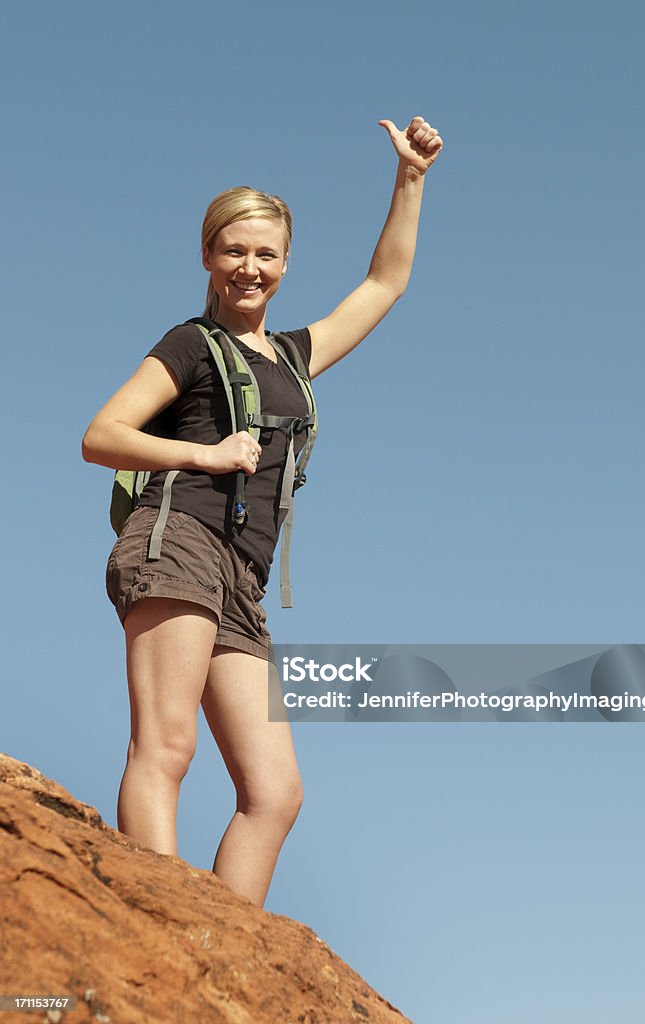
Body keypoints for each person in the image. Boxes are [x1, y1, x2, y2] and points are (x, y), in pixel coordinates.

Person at [82, 115, 443, 908]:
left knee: (275, 790)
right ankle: (157, 926)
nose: (250, 268)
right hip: (176, 541)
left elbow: (384, 284)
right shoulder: (189, 343)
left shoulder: (295, 354)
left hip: (240, 577)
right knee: (167, 748)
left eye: (266, 254)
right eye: (234, 250)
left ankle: (225, 949)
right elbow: (101, 435)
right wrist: (205, 453)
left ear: (285, 263)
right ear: (208, 256)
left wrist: (409, 179)